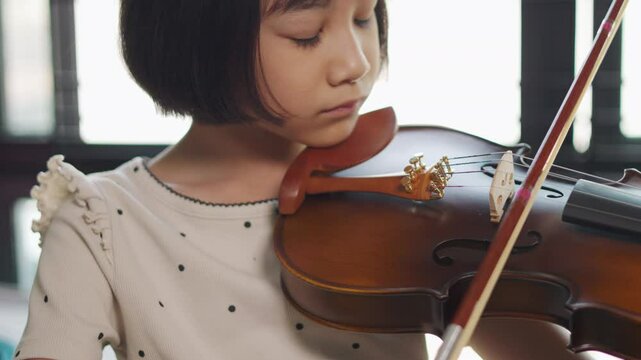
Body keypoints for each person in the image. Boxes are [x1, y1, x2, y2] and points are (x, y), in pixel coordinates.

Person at [15, 0, 604, 359]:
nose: (356, 64)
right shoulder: (101, 224)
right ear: (198, 32)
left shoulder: (406, 203)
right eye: (306, 35)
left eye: (365, 16)